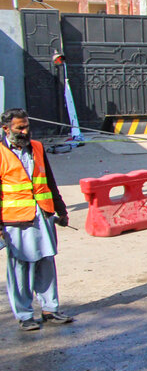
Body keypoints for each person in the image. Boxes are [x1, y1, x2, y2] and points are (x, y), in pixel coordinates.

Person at [0, 108, 73, 331]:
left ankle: (50, 308)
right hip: (15, 220)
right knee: (20, 268)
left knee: (46, 261)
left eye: (27, 126)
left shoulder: (38, 148)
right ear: (6, 129)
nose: (25, 131)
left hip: (43, 215)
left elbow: (49, 181)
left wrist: (61, 210)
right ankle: (24, 314)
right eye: (19, 127)